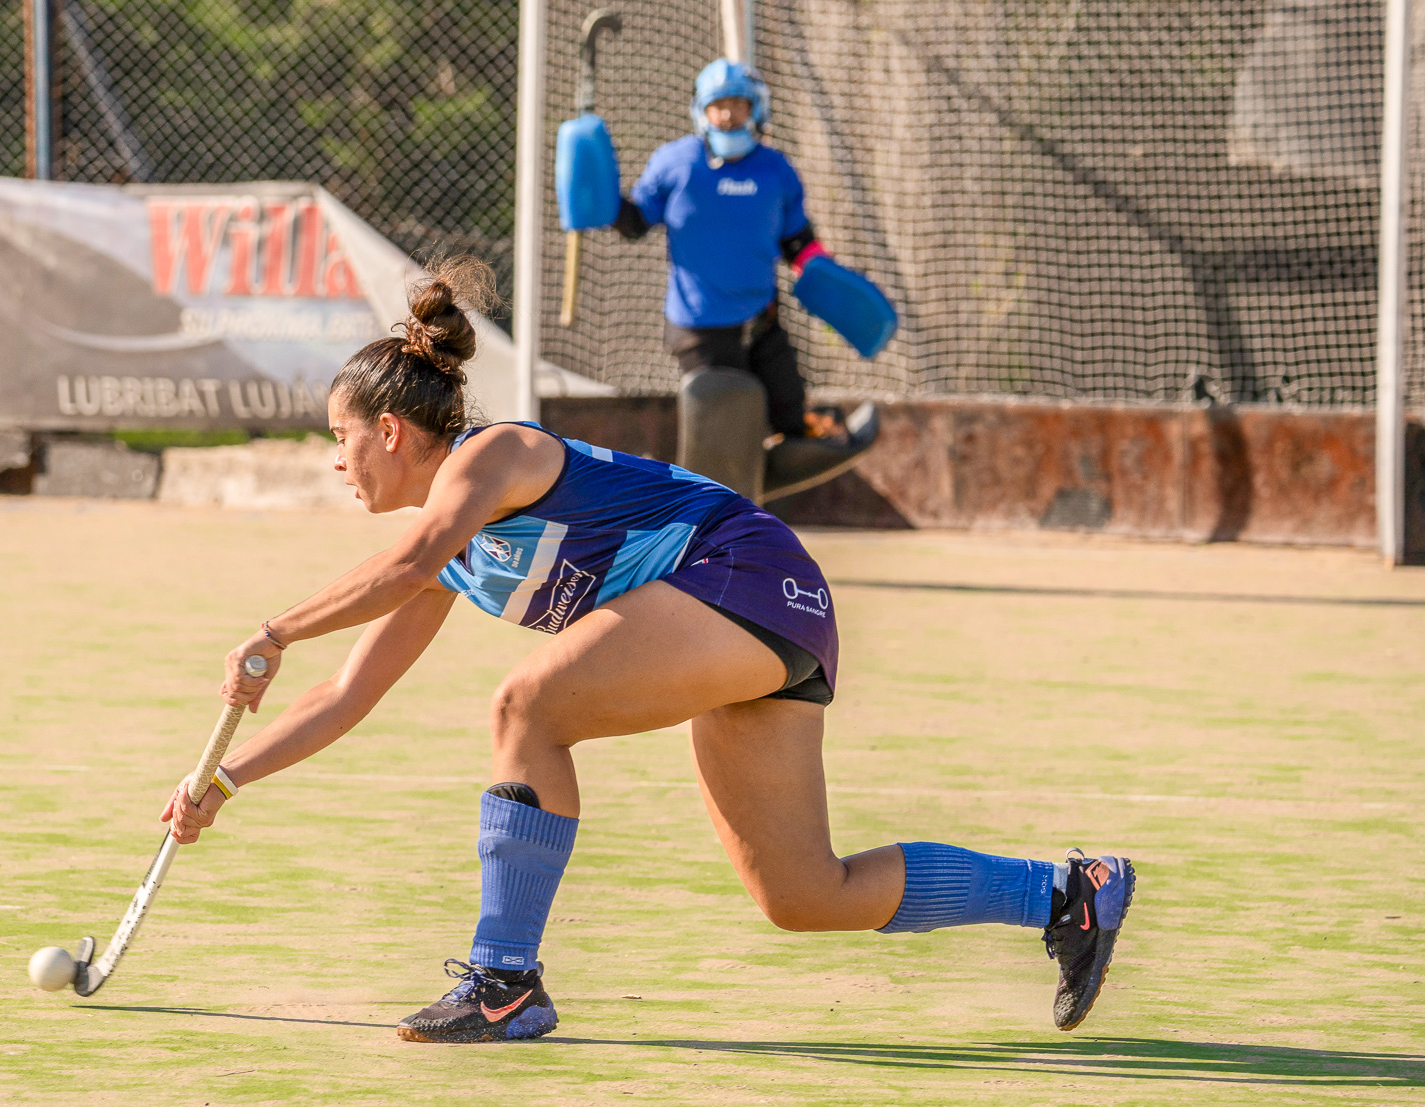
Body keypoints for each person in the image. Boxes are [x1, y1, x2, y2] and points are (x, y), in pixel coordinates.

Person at [161, 259, 1135, 1043]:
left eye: (340, 438)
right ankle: (1063, 894)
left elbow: (405, 556)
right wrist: (223, 778)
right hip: (745, 622)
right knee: (802, 891)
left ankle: (504, 979)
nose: (336, 461)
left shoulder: (489, 455)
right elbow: (345, 691)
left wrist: (275, 626)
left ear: (386, 429)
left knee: (526, 706)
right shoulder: (445, 561)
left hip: (743, 573)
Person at [614, 59, 849, 444]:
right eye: (717, 105)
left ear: (755, 108)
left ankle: (774, 488)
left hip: (761, 322)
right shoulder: (676, 163)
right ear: (701, 111)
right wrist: (604, 203)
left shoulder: (776, 170)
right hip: (699, 331)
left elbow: (797, 240)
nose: (727, 115)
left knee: (790, 412)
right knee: (725, 432)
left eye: (738, 104)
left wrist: (820, 270)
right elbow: (635, 222)